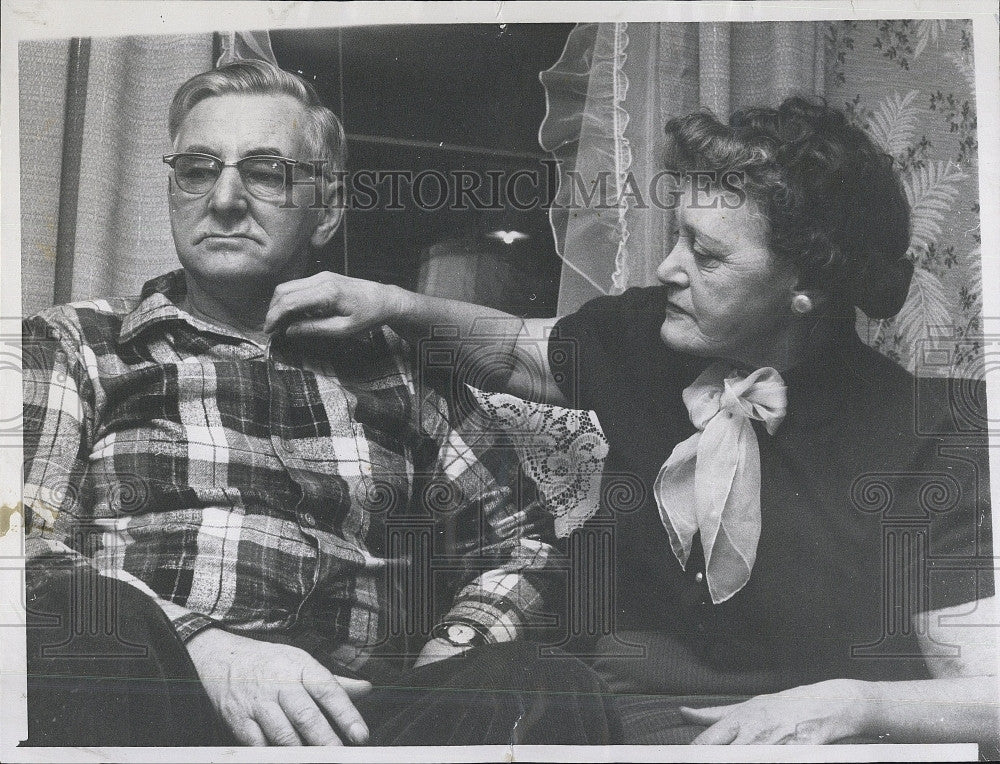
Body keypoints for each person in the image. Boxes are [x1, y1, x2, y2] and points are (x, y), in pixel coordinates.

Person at [263, 97, 998, 748]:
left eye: (705, 256)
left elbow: (989, 696)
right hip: (589, 713)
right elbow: (523, 356)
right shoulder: (655, 335)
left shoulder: (926, 436)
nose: (669, 268)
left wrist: (851, 704)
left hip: (779, 736)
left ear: (804, 287)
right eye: (678, 235)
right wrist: (396, 304)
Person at [20, 59, 620, 747]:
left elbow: (527, 545)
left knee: (545, 682)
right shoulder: (78, 342)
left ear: (328, 209)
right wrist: (209, 651)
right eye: (197, 168)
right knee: (74, 612)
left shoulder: (396, 368)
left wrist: (458, 648)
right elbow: (20, 545)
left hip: (350, 722)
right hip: (152, 696)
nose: (223, 198)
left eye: (266, 172)